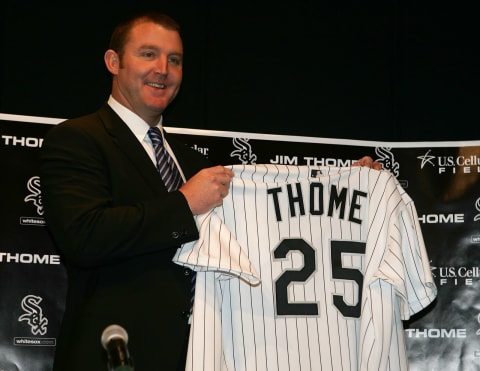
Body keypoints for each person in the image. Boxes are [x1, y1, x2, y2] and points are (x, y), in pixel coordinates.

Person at [39, 11, 381, 371]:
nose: (163, 69)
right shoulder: (78, 139)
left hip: (200, 355)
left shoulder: (189, 162)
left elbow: (268, 220)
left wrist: (350, 184)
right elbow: (84, 236)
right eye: (148, 54)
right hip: (116, 356)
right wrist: (184, 204)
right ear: (114, 61)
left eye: (175, 60)